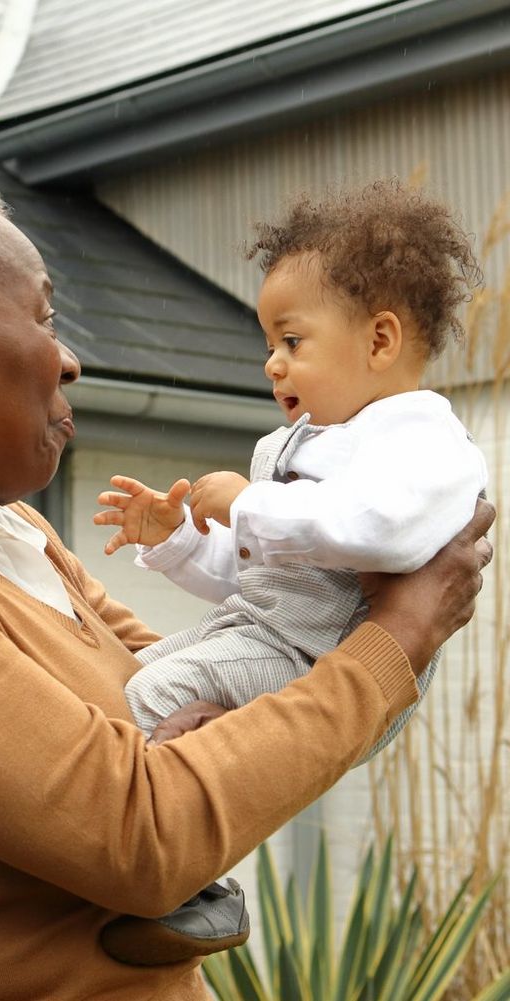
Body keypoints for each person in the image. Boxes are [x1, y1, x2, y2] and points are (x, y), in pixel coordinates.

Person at [0, 169, 492, 1001]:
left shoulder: (15, 538)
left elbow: (216, 691)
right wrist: (399, 636)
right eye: (45, 316)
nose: (70, 358)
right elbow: (143, 828)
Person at [94, 181, 487, 756]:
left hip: (323, 659)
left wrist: (246, 504)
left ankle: (132, 828)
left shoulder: (424, 441)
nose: (271, 365)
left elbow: (378, 532)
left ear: (379, 340)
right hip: (257, 633)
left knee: (151, 694)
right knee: (115, 678)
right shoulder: (294, 445)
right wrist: (178, 540)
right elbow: (260, 576)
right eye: (270, 344)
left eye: (292, 341)